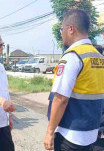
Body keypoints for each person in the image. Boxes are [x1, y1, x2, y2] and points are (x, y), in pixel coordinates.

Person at [44, 9, 104, 151]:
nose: (61, 33)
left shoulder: (72, 57)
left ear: (71, 29)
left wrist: (49, 131)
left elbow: (60, 98)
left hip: (70, 134)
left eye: (61, 29)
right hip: (91, 132)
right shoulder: (99, 57)